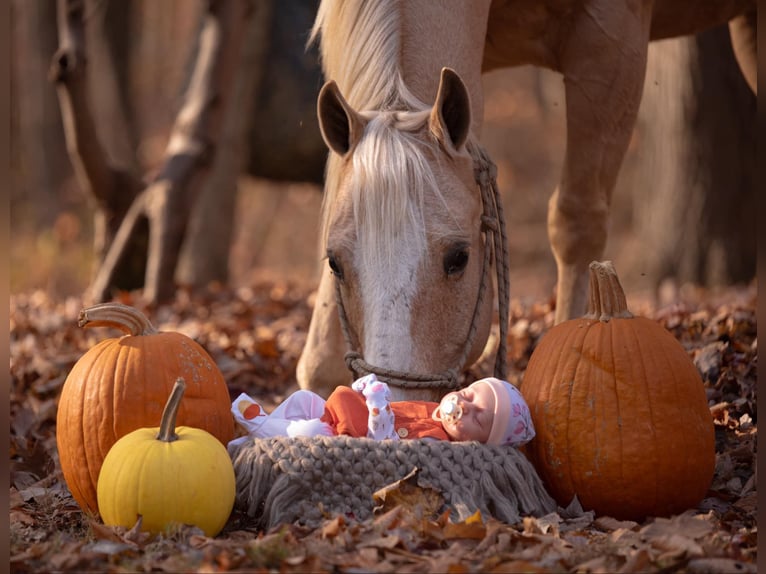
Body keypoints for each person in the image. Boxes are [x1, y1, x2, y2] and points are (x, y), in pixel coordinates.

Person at [228, 374, 534, 449]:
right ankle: (261, 433)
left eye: (477, 417)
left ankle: (256, 425)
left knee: (309, 433)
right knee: (304, 399)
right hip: (343, 411)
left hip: (348, 434)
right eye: (467, 395)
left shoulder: (437, 443)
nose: (463, 407)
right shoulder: (431, 408)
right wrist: (365, 389)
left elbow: (386, 445)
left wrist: (377, 410)